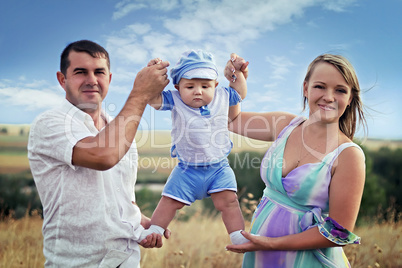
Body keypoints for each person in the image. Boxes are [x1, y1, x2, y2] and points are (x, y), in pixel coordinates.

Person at [28, 40, 171, 268]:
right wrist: (141, 93)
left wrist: (139, 221)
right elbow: (103, 156)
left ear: (110, 79)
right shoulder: (49, 123)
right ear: (62, 79)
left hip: (127, 260)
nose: (92, 80)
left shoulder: (118, 128)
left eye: (99, 72)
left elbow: (122, 195)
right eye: (80, 72)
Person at [225, 54, 367, 268]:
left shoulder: (349, 155)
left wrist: (271, 244)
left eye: (340, 90)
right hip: (261, 257)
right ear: (305, 88)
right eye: (320, 86)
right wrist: (236, 83)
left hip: (307, 261)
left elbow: (338, 232)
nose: (329, 97)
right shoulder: (284, 124)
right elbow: (231, 120)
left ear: (350, 98)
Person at [138, 49, 251, 245]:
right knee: (169, 202)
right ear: (177, 87)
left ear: (215, 85)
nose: (198, 91)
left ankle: (238, 236)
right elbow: (153, 100)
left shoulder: (223, 96)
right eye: (189, 86)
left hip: (219, 169)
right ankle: (155, 231)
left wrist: (238, 72)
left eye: (205, 86)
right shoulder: (174, 99)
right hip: (186, 170)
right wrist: (152, 74)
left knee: (230, 202)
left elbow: (240, 92)